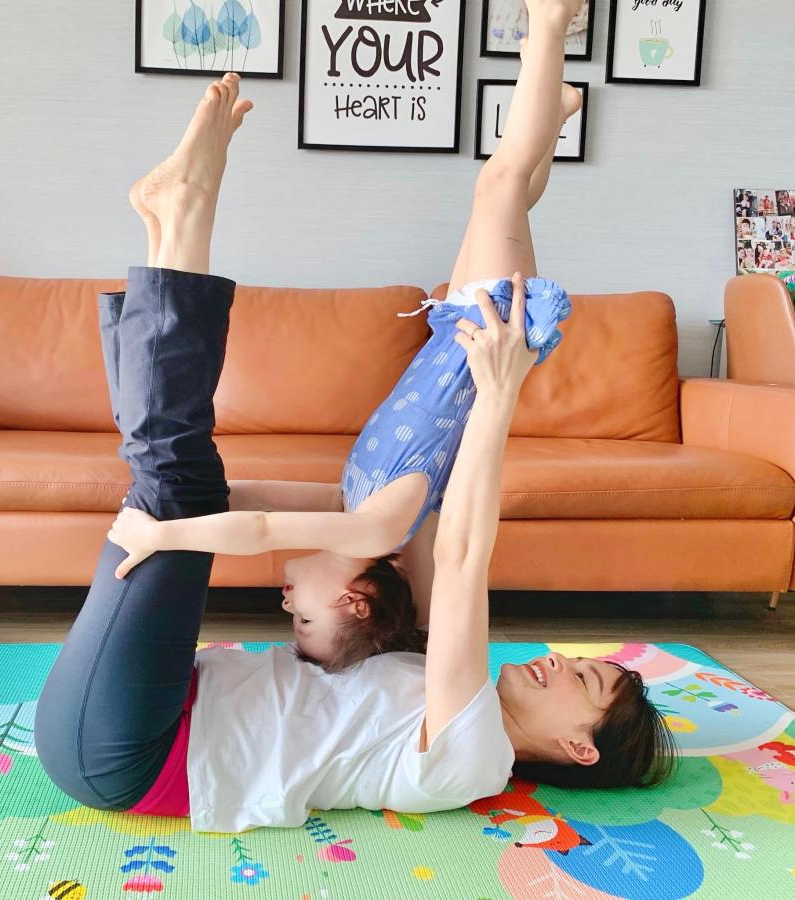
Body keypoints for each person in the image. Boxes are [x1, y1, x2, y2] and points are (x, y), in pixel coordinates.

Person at [35, 0, 676, 834]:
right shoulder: (432, 673)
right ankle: (171, 228)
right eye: (581, 664)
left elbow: (465, 555)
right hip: (155, 709)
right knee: (180, 480)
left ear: (578, 749)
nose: (560, 662)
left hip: (133, 750)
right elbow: (434, 534)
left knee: (172, 483)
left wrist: (499, 397)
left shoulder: (475, 754)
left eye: (584, 682)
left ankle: (180, 222)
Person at [106, 44, 578, 671]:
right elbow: (262, 532)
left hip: (454, 334)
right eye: (304, 619)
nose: (286, 606)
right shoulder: (381, 530)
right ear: (356, 602)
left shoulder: (358, 509)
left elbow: (257, 503)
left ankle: (554, 113)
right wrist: (163, 535)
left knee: (501, 196)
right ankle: (550, 21)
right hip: (487, 333)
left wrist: (179, 502)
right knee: (501, 184)